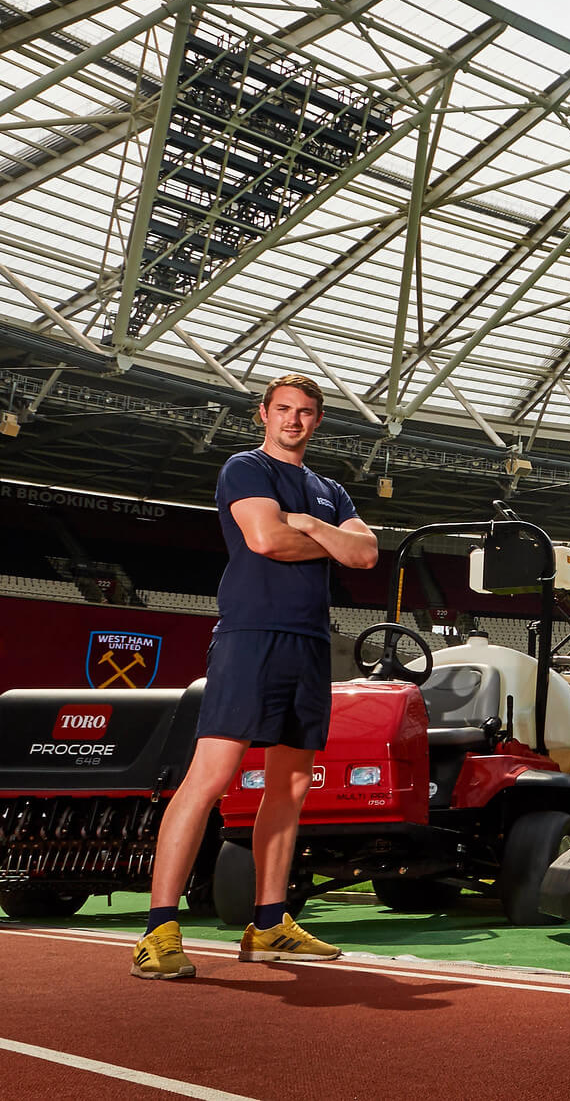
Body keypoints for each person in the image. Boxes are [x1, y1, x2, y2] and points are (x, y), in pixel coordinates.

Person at [131, 374, 380, 980]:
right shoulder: (245, 468)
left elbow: (368, 554)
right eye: (283, 410)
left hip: (311, 643)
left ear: (318, 421)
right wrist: (333, 539)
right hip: (251, 638)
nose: (293, 421)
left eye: (305, 413)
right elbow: (266, 540)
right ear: (263, 414)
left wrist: (315, 526)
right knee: (211, 776)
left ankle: (269, 925)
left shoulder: (329, 490)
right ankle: (158, 928)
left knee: (291, 786)